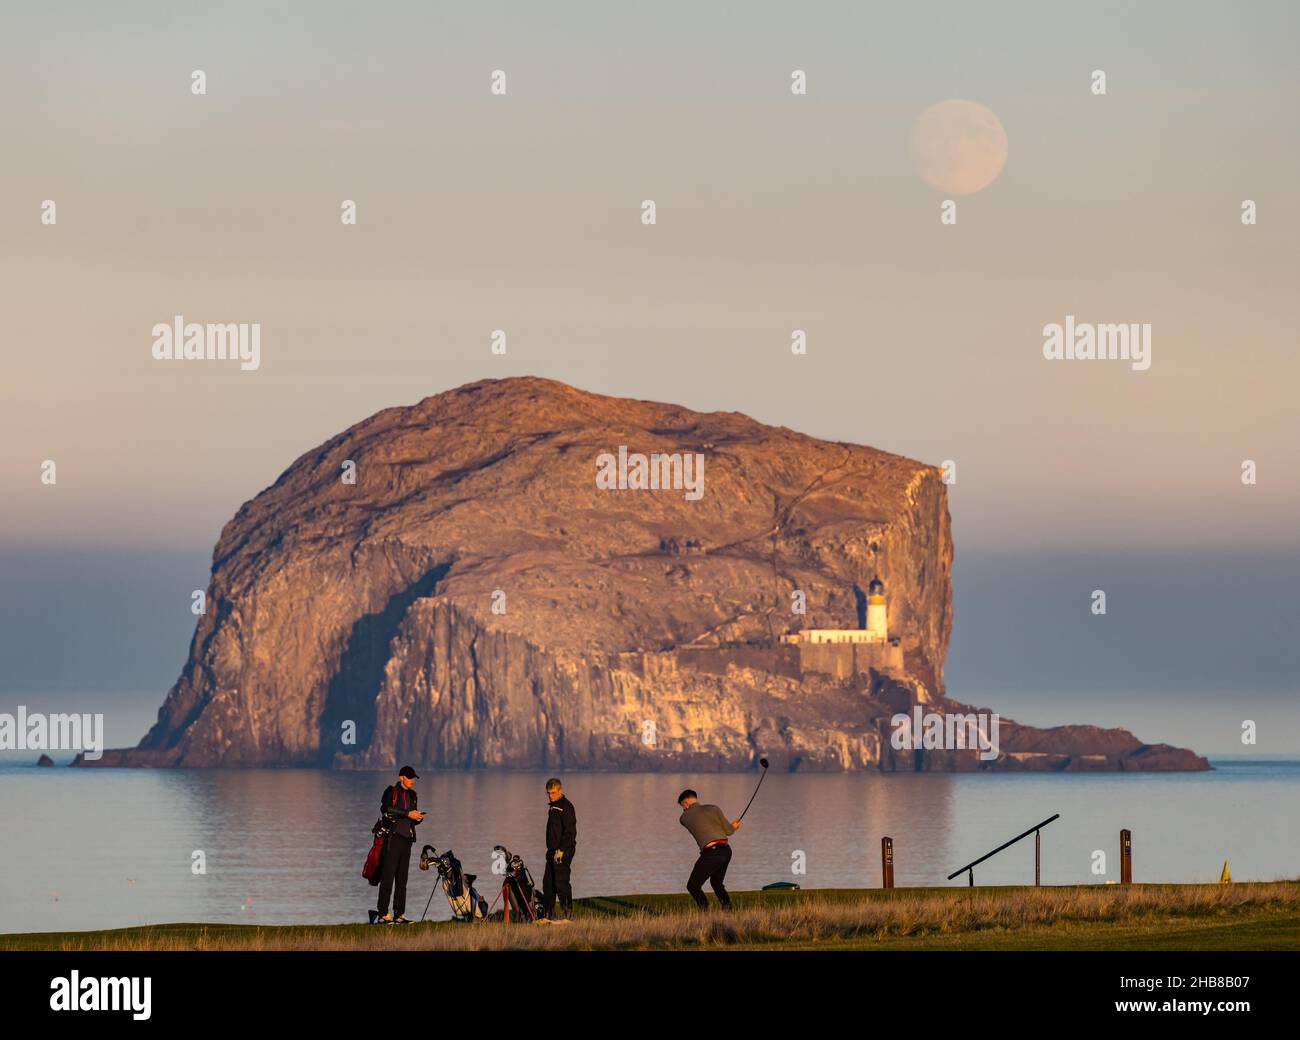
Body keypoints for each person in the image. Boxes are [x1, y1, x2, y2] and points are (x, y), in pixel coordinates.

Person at [375, 766, 425, 924]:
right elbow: (386, 809)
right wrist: (407, 813)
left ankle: (399, 915)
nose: (412, 781)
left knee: (402, 879)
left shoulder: (413, 795)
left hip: (407, 840)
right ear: (401, 777)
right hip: (393, 838)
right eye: (409, 778)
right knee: (387, 877)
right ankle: (383, 914)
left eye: (413, 778)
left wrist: (418, 818)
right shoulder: (391, 791)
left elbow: (412, 816)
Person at [677, 789, 740, 911]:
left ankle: (705, 911)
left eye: (682, 806)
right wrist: (734, 826)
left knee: (693, 886)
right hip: (726, 851)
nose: (683, 809)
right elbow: (729, 831)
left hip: (711, 853)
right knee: (716, 883)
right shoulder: (714, 809)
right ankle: (728, 910)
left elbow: (695, 817)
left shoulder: (684, 818)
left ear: (685, 803)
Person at [542, 777, 577, 920]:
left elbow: (570, 832)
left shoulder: (567, 807)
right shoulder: (552, 807)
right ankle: (549, 915)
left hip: (563, 851)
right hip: (551, 852)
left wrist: (561, 850)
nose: (551, 795)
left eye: (554, 792)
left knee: (561, 883)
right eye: (549, 793)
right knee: (548, 884)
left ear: (560, 791)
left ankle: (568, 914)